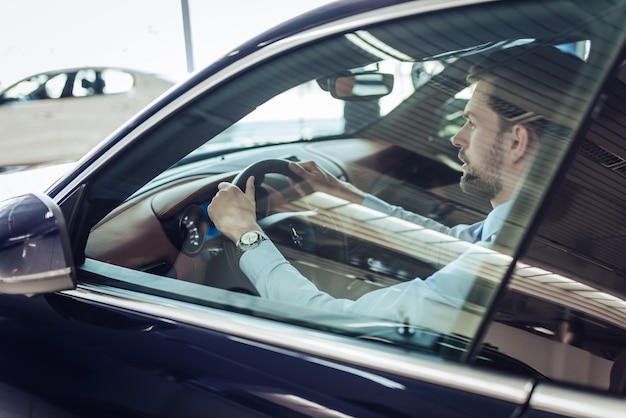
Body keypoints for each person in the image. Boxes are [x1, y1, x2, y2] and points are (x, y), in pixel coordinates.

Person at [208, 45, 584, 326]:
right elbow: (454, 245)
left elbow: (332, 318)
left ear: (517, 141)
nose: (458, 138)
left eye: (472, 123)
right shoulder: (544, 223)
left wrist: (247, 235)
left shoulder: (504, 255)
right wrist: (348, 198)